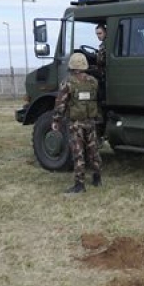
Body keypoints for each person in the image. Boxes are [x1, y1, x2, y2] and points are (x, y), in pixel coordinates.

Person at [51, 52, 102, 193]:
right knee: (93, 150)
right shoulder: (93, 82)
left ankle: (79, 185)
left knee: (78, 152)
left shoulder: (67, 82)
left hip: (76, 123)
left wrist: (56, 120)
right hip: (90, 121)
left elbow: (61, 104)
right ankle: (97, 178)